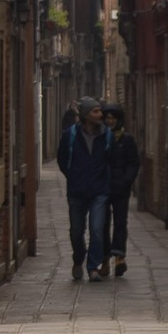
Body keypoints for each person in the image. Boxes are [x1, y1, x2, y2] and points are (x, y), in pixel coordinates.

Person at [56, 99, 109, 282]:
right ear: (86, 115)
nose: (100, 115)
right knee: (76, 231)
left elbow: (112, 160)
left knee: (96, 230)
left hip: (99, 191)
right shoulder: (70, 135)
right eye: (95, 112)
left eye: (100, 111)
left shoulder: (106, 135)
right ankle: (78, 258)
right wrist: (73, 176)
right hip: (77, 191)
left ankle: (93, 267)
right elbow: (62, 160)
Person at [102, 107, 142, 279]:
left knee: (120, 223)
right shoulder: (100, 138)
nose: (110, 121)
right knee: (101, 224)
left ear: (119, 120)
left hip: (120, 188)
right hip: (102, 188)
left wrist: (127, 180)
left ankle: (119, 257)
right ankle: (104, 258)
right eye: (107, 118)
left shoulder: (127, 140)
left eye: (113, 118)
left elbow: (134, 163)